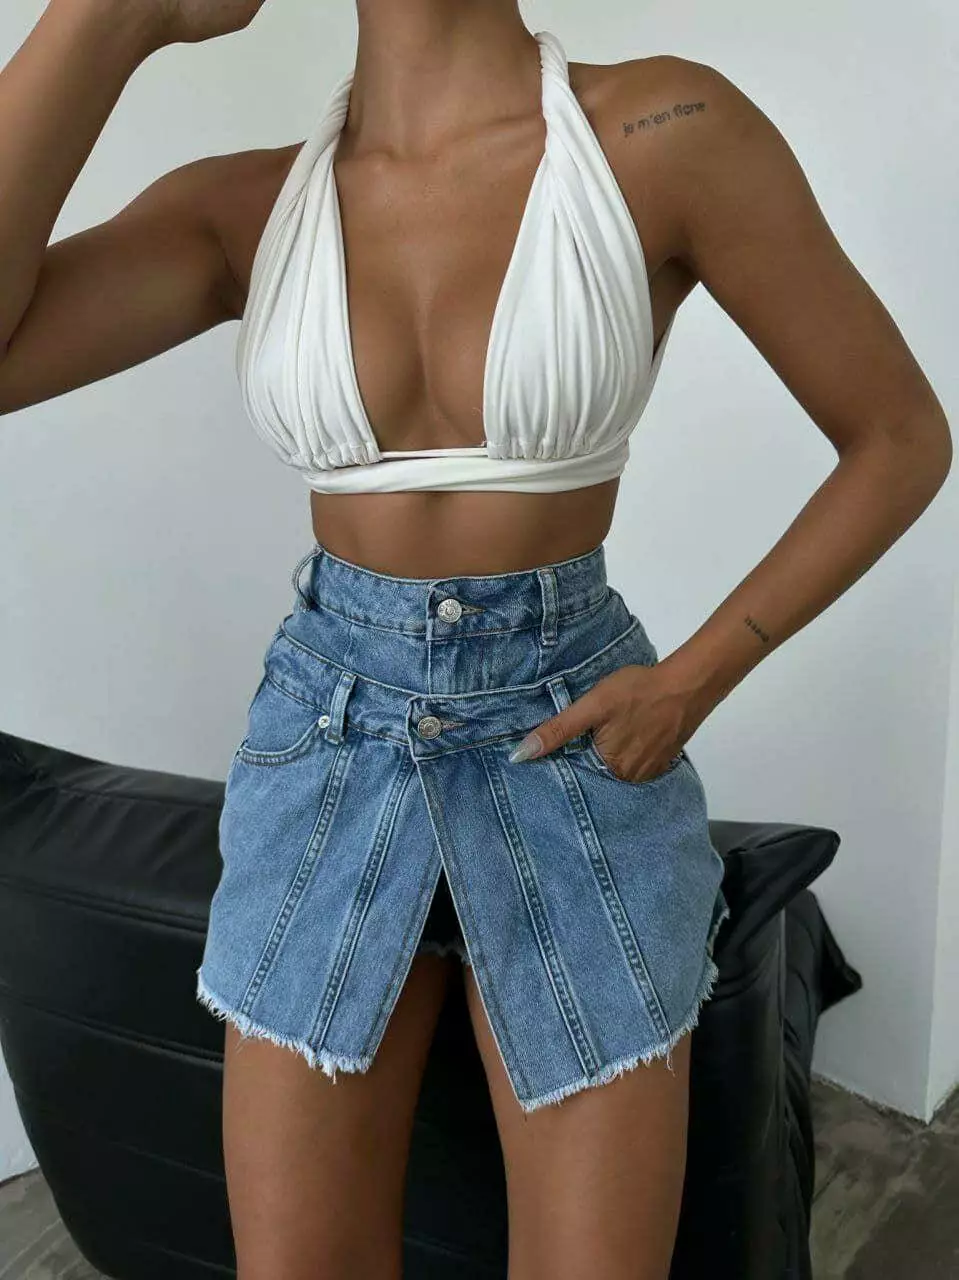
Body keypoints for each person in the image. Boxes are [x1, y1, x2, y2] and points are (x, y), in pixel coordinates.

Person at [0, 1, 950, 1277]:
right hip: (328, 738)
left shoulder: (666, 130)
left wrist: (692, 680)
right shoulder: (244, 209)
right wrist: (109, 21)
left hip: (571, 734)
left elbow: (896, 436)